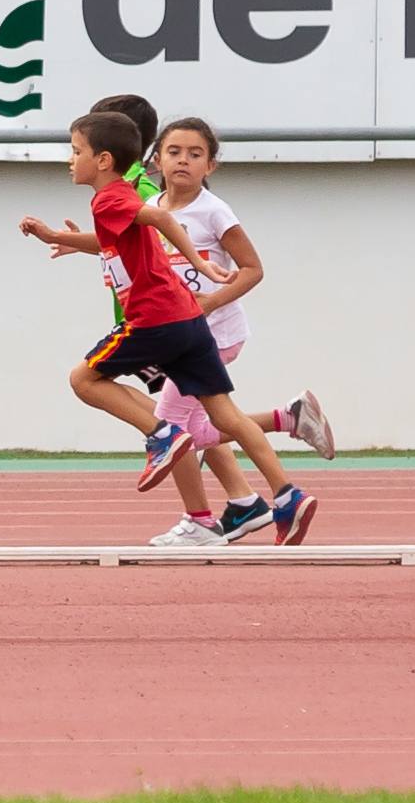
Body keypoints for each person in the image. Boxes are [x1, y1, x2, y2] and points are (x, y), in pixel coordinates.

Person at [18, 111, 318, 541]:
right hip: (192, 323)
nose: (70, 159)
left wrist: (201, 266)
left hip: (156, 320)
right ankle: (287, 495)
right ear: (155, 158)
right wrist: (58, 237)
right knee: (225, 417)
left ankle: (168, 449)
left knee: (83, 379)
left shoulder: (114, 199)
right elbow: (113, 239)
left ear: (103, 160)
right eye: (173, 152)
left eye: (75, 151)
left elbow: (160, 224)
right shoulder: (137, 200)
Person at [130, 118, 332, 545]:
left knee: (170, 429)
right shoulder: (154, 211)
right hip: (176, 337)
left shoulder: (213, 211)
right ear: (157, 161)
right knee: (196, 430)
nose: (183, 160)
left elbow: (253, 270)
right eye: (174, 152)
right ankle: (286, 422)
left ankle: (201, 521)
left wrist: (207, 305)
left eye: (195, 154)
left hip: (212, 337)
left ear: (211, 166)